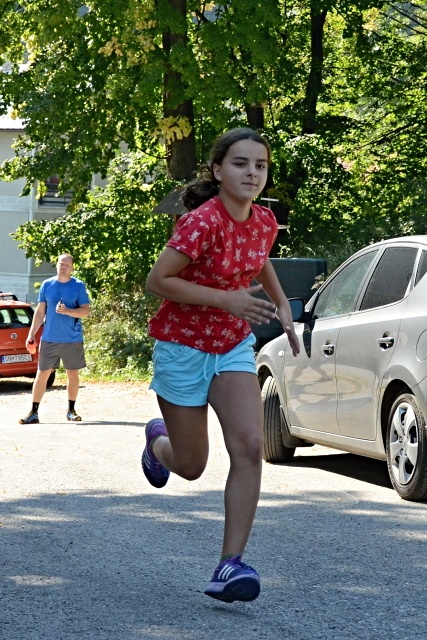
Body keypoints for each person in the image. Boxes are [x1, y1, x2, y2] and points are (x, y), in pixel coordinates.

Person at [142, 127, 300, 603]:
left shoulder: (265, 220)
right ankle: (158, 445)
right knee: (191, 465)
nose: (253, 173)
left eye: (261, 165)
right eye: (240, 163)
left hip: (231, 346)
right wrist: (226, 299)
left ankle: (230, 564)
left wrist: (282, 304)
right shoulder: (201, 222)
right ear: (217, 170)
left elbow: (260, 257)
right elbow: (158, 281)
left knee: (250, 447)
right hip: (182, 347)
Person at [19, 253, 91, 425]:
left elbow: (85, 311)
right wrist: (31, 335)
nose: (64, 267)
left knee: (72, 373)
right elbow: (40, 312)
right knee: (42, 373)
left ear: (72, 267)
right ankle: (33, 412)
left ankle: (71, 411)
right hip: (49, 338)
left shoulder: (78, 286)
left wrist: (68, 311)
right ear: (56, 265)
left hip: (72, 339)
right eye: (61, 264)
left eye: (67, 265)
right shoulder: (47, 285)